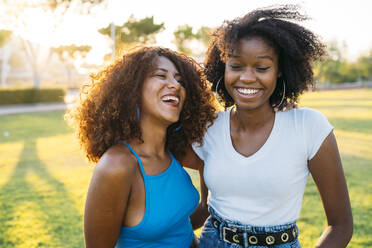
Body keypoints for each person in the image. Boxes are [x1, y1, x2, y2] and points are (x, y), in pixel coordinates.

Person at [179, 5, 353, 248]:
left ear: (280, 70)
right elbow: (207, 207)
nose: (247, 77)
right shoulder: (209, 127)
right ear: (223, 66)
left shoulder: (308, 126)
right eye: (236, 66)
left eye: (261, 68)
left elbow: (341, 225)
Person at [66, 46, 216, 247]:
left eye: (180, 80)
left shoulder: (176, 151)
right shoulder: (117, 165)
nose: (175, 85)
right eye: (160, 75)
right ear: (132, 89)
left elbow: (206, 207)